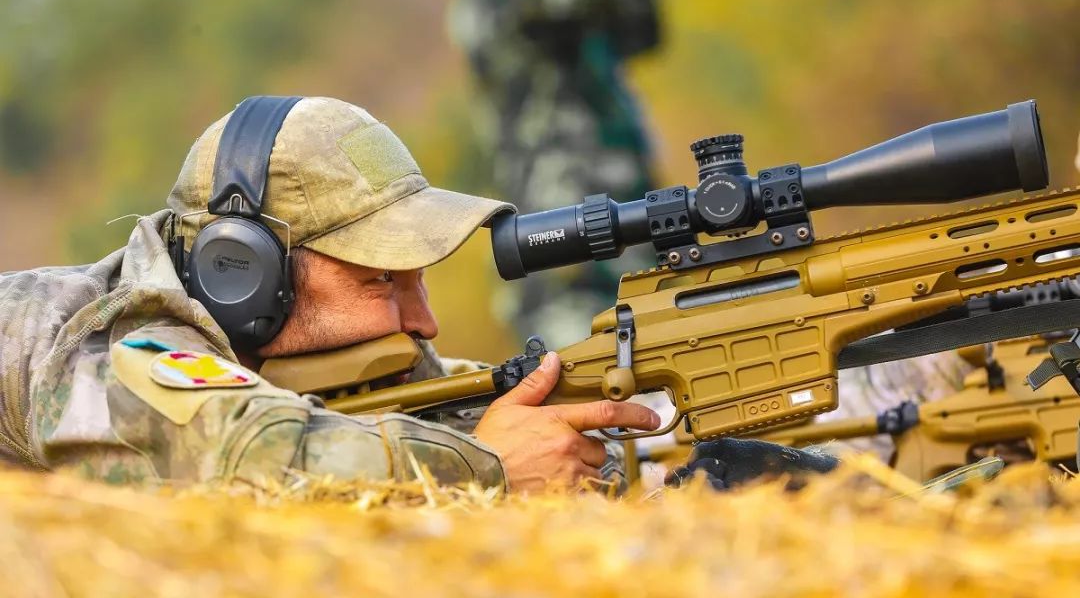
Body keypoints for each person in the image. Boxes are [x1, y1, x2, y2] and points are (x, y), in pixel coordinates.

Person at [0, 96, 663, 493]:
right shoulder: (113, 342)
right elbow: (250, 460)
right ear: (245, 271)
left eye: (417, 277)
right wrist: (489, 468)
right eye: (381, 278)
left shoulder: (303, 345)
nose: (425, 322)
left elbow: (444, 413)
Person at [449, 0, 662, 347]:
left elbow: (644, 28)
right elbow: (545, 4)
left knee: (658, 313)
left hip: (626, 189)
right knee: (574, 344)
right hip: (551, 203)